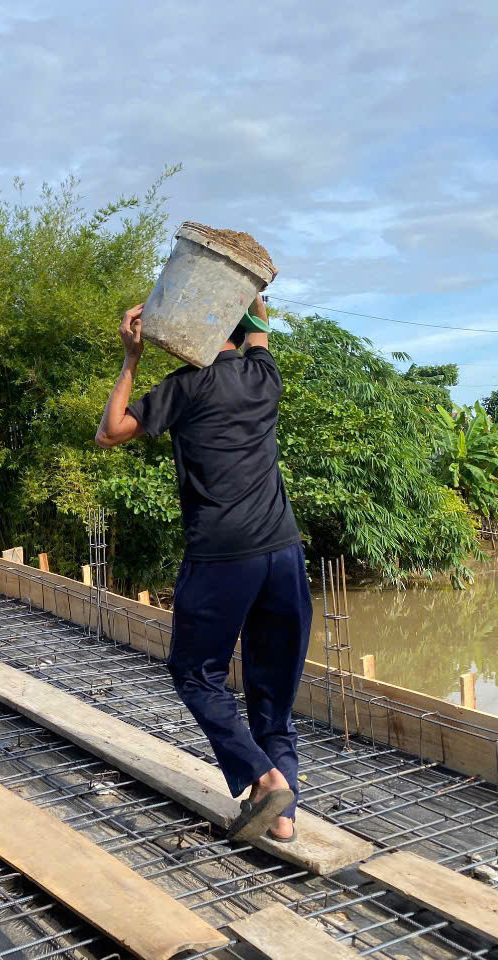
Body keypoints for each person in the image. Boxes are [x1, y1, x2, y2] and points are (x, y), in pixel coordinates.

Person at [94, 296, 308, 844]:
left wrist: (130, 357)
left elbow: (110, 431)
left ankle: (264, 778)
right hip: (283, 551)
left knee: (195, 672)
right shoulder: (264, 374)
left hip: (221, 554)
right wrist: (252, 290)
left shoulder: (184, 387)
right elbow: (259, 327)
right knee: (273, 686)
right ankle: (282, 817)